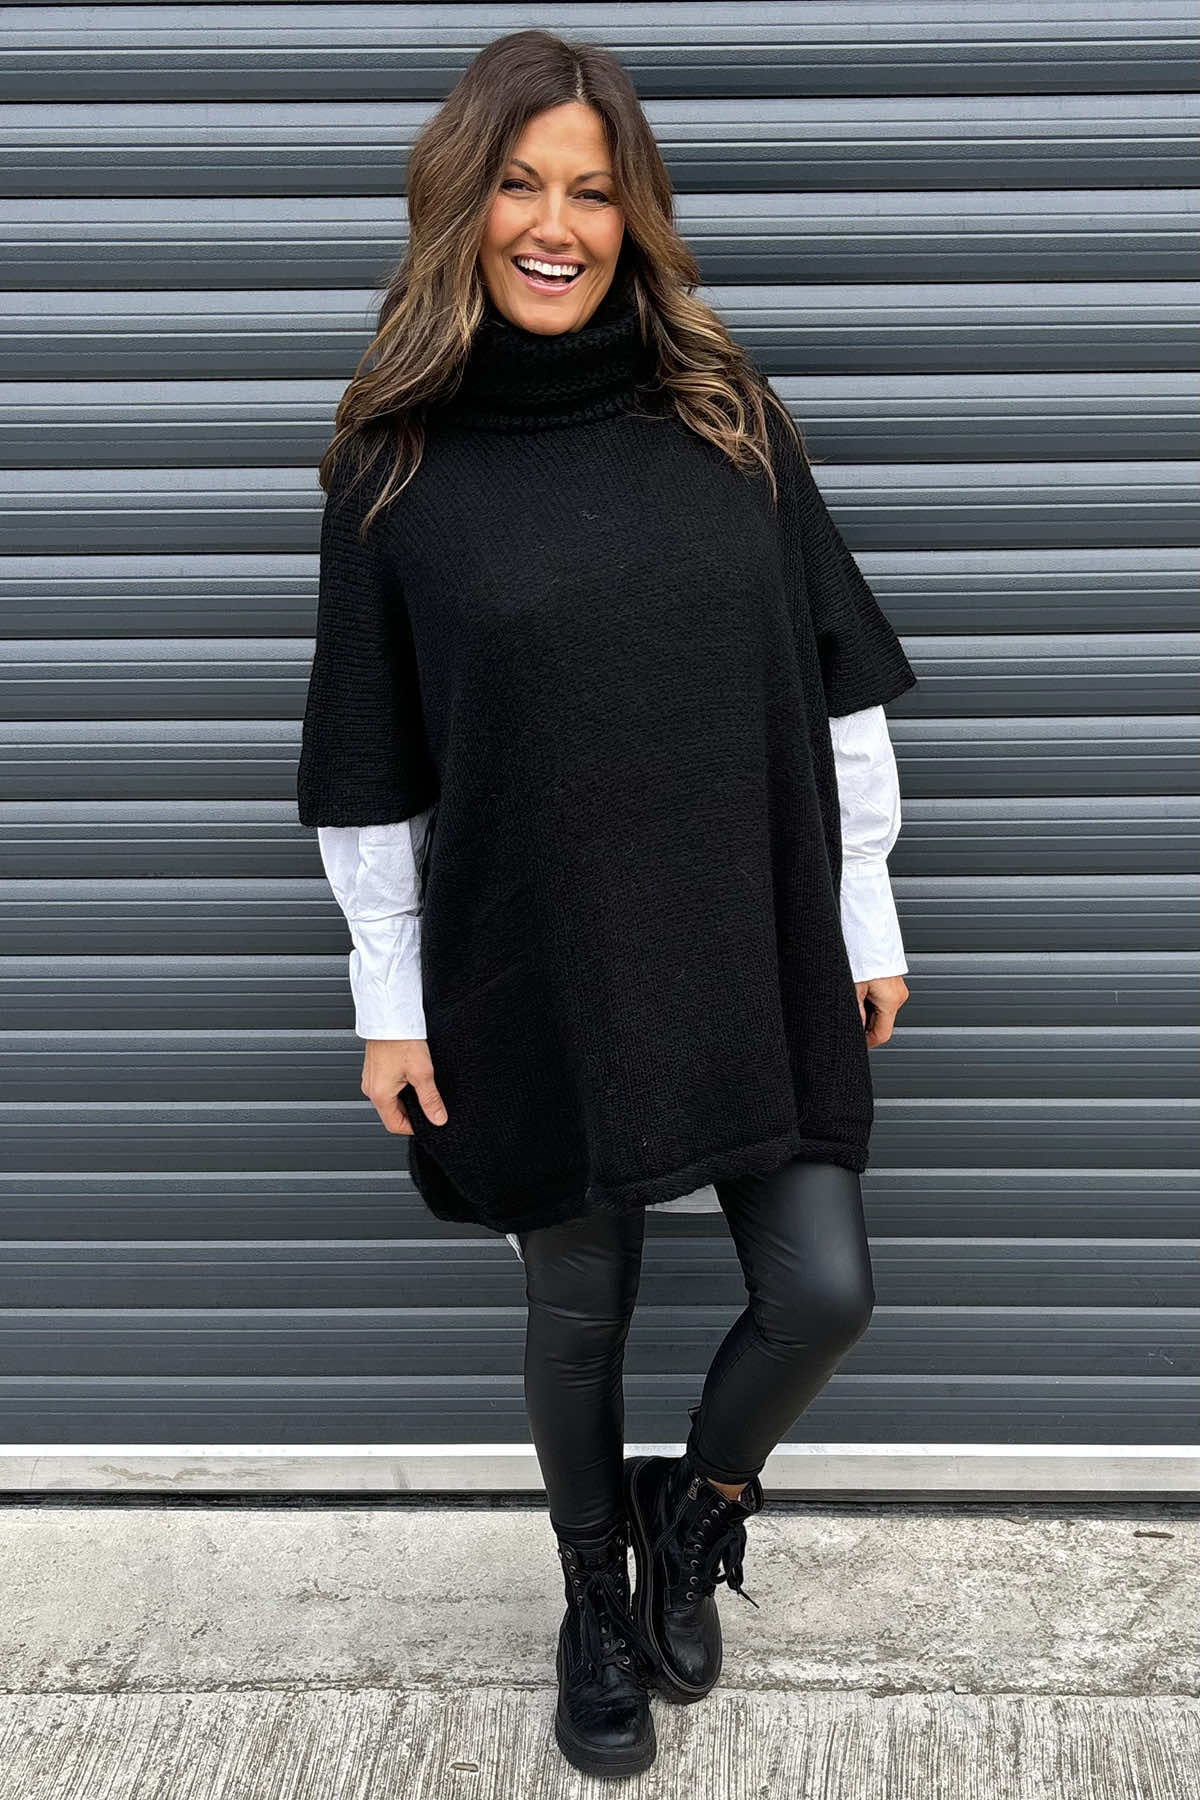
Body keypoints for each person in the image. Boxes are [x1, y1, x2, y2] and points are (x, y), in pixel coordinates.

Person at [296, 28, 916, 1782]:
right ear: (463, 203)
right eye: (520, 185)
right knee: (579, 1312)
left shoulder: (726, 419)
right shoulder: (395, 471)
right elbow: (370, 763)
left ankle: (695, 1511)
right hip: (536, 954)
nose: (555, 226)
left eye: (591, 190)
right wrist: (389, 1000)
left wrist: (865, 910)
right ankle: (590, 1596)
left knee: (822, 1291)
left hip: (751, 926)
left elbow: (836, 689)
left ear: (633, 215)